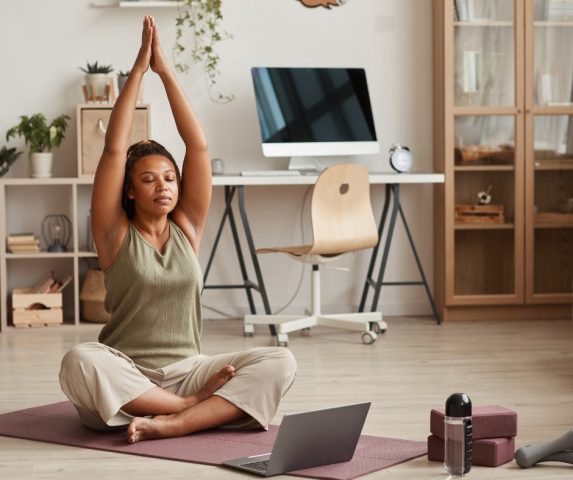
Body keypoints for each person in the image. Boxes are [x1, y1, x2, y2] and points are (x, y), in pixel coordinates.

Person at [59, 16, 297, 444]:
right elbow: (115, 148)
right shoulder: (114, 234)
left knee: (280, 360)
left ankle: (173, 422)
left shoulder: (187, 228)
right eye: (149, 179)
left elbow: (198, 146)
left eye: (169, 177)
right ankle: (189, 411)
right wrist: (138, 70)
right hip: (128, 376)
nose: (163, 186)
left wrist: (165, 71)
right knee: (79, 360)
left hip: (191, 371)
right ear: (129, 191)